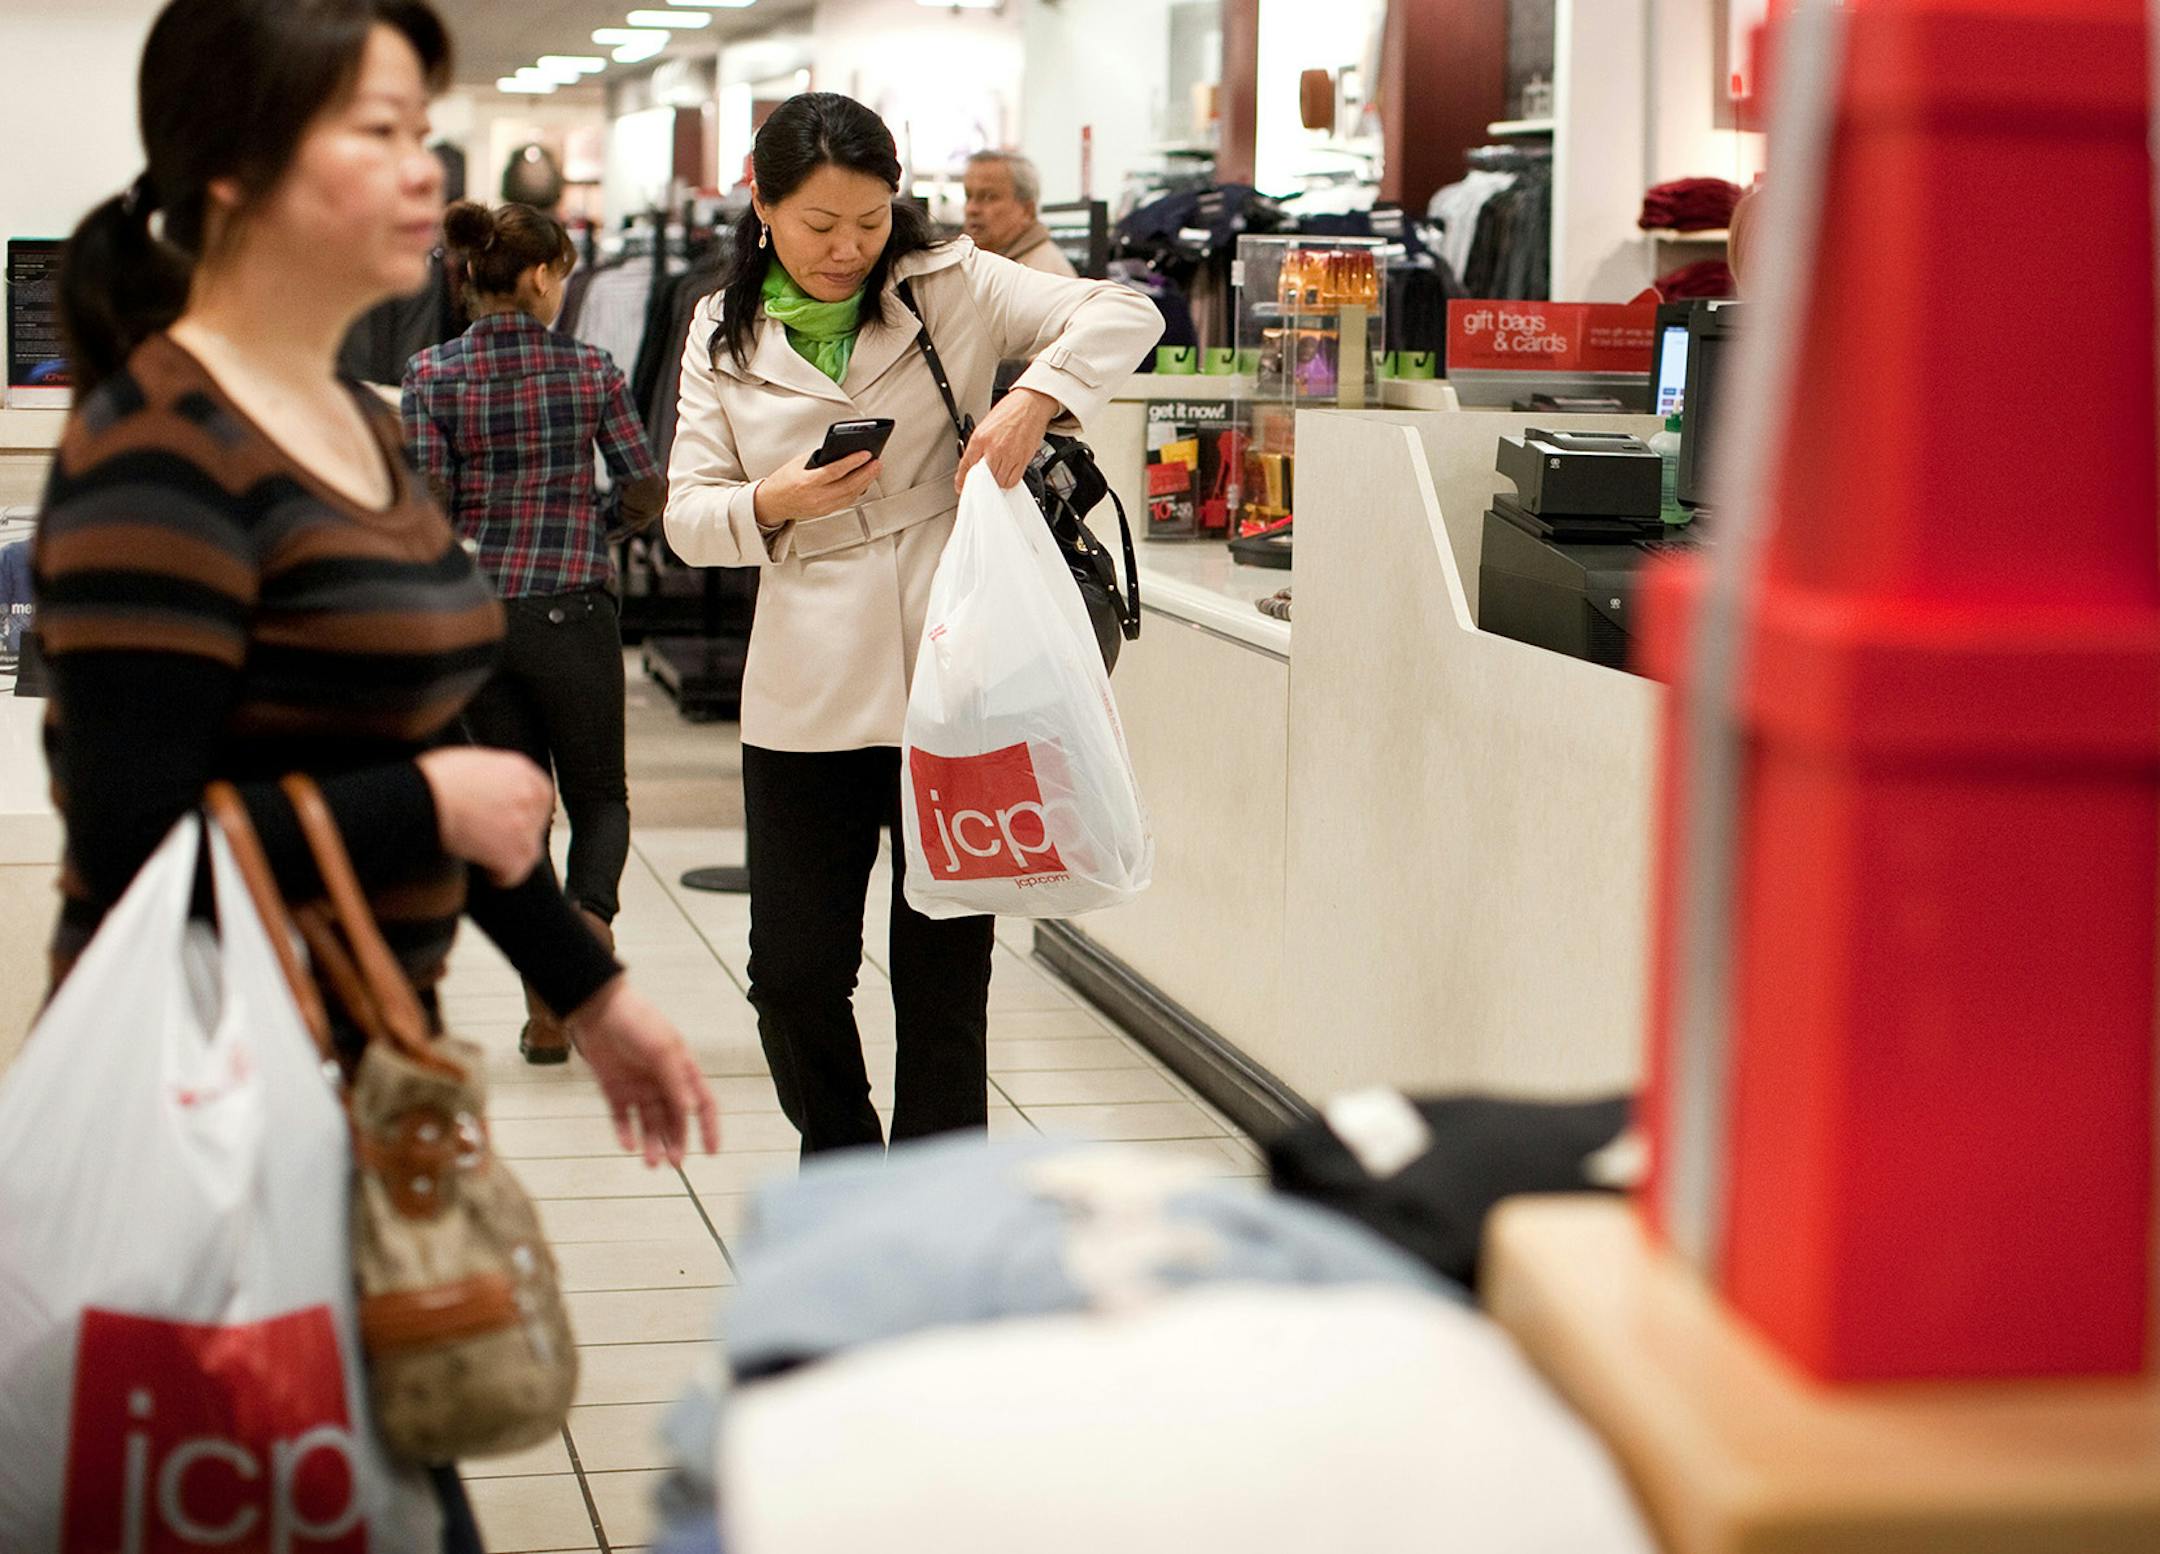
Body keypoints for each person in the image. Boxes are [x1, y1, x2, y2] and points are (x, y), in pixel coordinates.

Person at [35, 2, 718, 1544]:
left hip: (356, 1097)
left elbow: (410, 737)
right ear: (232, 173)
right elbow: (136, 834)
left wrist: (585, 982)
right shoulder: (160, 449)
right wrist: (427, 806)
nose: (428, 173)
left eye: (425, 131)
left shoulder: (354, 426)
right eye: (379, 133)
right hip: (209, 1115)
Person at [666, 93, 1161, 1156]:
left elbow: (1125, 310)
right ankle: (843, 1162)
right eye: (818, 225)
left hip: (959, 680)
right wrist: (775, 503)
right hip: (806, 688)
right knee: (794, 975)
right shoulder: (720, 325)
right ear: (761, 202)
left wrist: (1036, 397)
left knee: (946, 975)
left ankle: (941, 1197)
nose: (846, 250)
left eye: (869, 221)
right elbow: (685, 517)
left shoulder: (953, 282)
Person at [403, 199, 663, 1063]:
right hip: (573, 609)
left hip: (478, 616)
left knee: (520, 814)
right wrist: (589, 524)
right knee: (599, 795)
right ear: (546, 275)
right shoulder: (590, 368)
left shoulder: (430, 374)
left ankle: (548, 1000)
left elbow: (427, 512)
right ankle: (589, 929)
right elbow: (644, 486)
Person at [963, 150, 1080, 277]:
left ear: (1027, 211)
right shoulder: (991, 262)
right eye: (968, 196)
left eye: (989, 197)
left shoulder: (1039, 276)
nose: (971, 209)